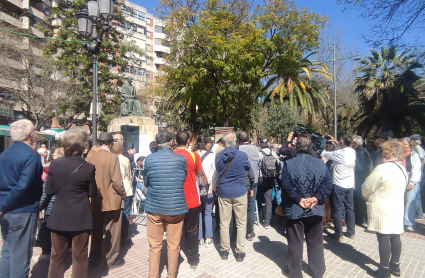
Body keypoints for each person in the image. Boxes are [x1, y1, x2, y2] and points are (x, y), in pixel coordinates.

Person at [44, 129, 97, 278]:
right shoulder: (88, 167)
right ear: (83, 146)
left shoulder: (54, 164)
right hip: (80, 215)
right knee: (80, 256)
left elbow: (49, 190)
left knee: (56, 256)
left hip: (59, 214)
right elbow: (93, 192)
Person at [280, 132, 333, 278]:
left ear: (296, 147)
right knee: (315, 241)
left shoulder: (289, 164)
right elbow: (328, 184)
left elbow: (286, 186)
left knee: (295, 242)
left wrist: (299, 200)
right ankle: (317, 271)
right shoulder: (320, 164)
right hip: (313, 208)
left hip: (295, 209)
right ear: (310, 148)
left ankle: (295, 272)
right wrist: (316, 199)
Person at [0, 119, 43, 278]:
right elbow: (23, 186)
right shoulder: (30, 155)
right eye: (35, 130)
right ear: (29, 135)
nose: (36, 133)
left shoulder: (4, 153)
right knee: (20, 257)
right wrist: (3, 205)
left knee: (8, 251)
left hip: (7, 211)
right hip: (22, 211)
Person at [143, 131, 188, 278]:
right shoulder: (181, 159)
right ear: (171, 142)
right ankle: (171, 275)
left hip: (154, 206)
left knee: (154, 246)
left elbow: (146, 182)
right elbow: (183, 178)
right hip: (175, 207)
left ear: (156, 144)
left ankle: (153, 275)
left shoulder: (149, 159)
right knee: (174, 245)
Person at [362, 139, 407, 278]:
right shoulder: (402, 169)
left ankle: (384, 270)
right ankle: (395, 266)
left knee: (383, 238)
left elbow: (366, 187)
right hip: (397, 207)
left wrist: (365, 195)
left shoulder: (382, 169)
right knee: (395, 237)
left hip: (382, 208)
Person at [86, 132, 126, 270]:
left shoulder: (90, 158)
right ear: (110, 143)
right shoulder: (112, 157)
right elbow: (116, 180)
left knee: (96, 230)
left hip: (95, 199)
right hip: (112, 199)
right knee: (113, 232)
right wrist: (123, 193)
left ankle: (94, 257)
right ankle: (111, 259)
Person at [214, 131, 251, 262]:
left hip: (224, 192)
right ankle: (240, 252)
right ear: (235, 141)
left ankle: (224, 251)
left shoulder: (218, 156)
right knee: (241, 223)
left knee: (224, 222)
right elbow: (248, 167)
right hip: (240, 192)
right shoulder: (242, 155)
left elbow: (218, 170)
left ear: (224, 142)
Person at [174, 131, 207, 268]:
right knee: (192, 230)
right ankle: (193, 258)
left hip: (175, 199)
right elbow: (200, 174)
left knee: (175, 230)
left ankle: (174, 257)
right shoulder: (194, 156)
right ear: (188, 141)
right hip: (192, 199)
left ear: (175, 141)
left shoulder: (171, 155)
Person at [321, 134, 356, 241]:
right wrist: (336, 142)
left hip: (339, 184)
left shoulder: (339, 153)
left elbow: (324, 154)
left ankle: (338, 233)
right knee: (350, 208)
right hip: (350, 184)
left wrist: (323, 142)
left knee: (337, 209)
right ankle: (351, 232)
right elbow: (344, 147)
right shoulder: (353, 152)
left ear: (342, 143)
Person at [36, 148, 65, 262]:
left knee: (47, 229)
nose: (52, 155)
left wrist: (40, 206)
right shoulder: (71, 167)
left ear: (58, 156)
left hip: (52, 206)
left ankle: (48, 252)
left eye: (54, 154)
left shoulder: (53, 169)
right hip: (66, 206)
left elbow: (46, 191)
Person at [111, 134, 134, 246]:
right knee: (125, 213)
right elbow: (129, 175)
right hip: (125, 188)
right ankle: (124, 237)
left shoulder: (109, 158)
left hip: (112, 189)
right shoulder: (125, 159)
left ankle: (113, 237)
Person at [195, 135, 216, 248]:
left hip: (196, 188)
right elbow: (214, 173)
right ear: (205, 144)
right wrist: (212, 188)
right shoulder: (212, 156)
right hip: (208, 187)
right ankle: (209, 238)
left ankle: (200, 239)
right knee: (208, 212)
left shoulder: (193, 155)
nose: (210, 144)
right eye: (208, 142)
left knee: (198, 213)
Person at [238, 131, 259, 240]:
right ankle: (250, 232)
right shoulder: (255, 149)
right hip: (254, 181)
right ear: (249, 138)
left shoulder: (239, 150)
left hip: (242, 182)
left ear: (239, 140)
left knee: (242, 207)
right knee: (251, 205)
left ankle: (241, 230)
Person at [258, 136, 280, 229]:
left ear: (259, 143)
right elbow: (279, 165)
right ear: (267, 143)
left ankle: (259, 217)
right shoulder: (273, 153)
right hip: (270, 179)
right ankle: (267, 222)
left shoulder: (258, 154)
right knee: (268, 199)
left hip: (260, 180)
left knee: (258, 199)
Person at [400, 138, 421, 232]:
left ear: (409, 145)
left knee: (409, 201)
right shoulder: (399, 155)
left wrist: (412, 182)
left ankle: (409, 223)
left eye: (405, 144)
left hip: (411, 180)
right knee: (402, 201)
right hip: (401, 179)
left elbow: (416, 169)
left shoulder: (414, 155)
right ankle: (402, 222)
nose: (402, 145)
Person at [351, 135, 372, 226]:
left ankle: (360, 218)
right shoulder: (364, 150)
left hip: (359, 178)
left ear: (355, 143)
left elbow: (360, 166)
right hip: (363, 177)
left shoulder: (358, 151)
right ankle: (362, 218)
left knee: (358, 198)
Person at [410, 134, 425, 220]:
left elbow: (422, 160)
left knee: (417, 193)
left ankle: (419, 213)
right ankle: (419, 213)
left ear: (415, 141)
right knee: (417, 193)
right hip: (420, 172)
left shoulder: (418, 149)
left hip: (419, 172)